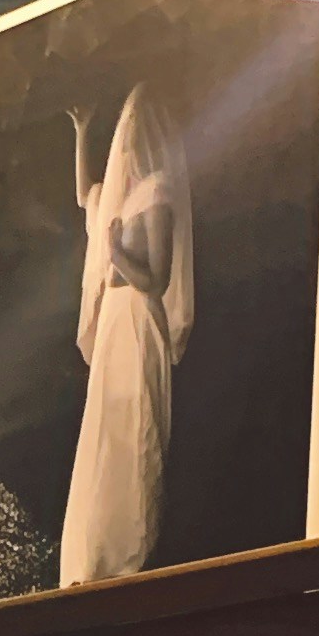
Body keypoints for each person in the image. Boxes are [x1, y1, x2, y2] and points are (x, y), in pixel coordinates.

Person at [60, 83, 196, 585]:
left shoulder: (156, 192)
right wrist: (82, 133)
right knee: (105, 429)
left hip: (139, 320)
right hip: (118, 321)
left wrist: (117, 254)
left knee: (136, 428)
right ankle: (91, 555)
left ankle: (128, 554)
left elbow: (156, 279)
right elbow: (83, 196)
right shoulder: (114, 196)